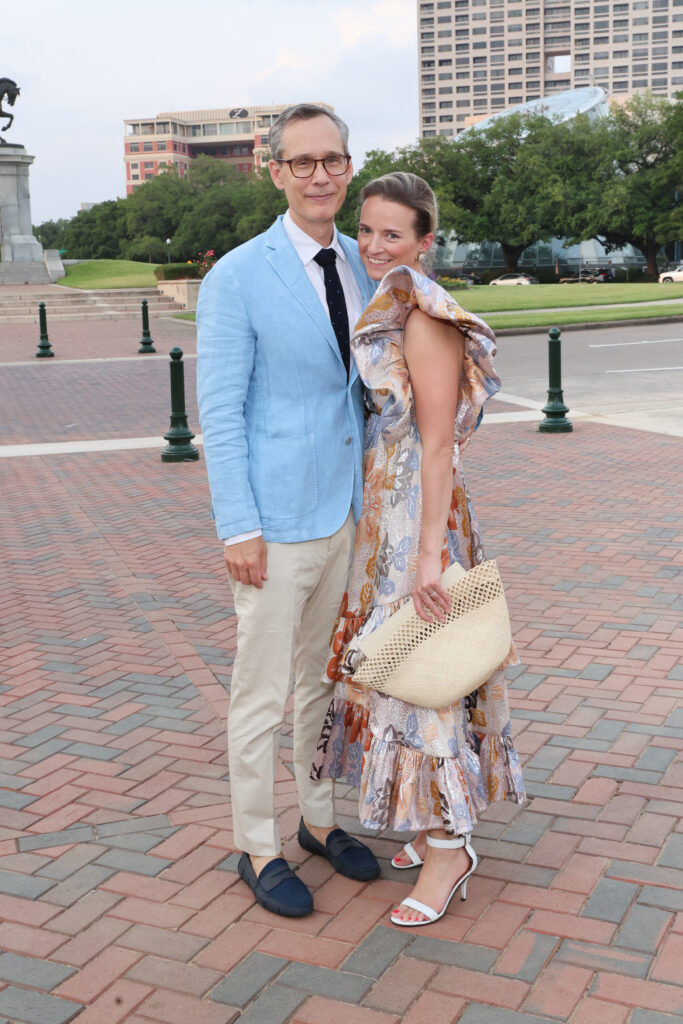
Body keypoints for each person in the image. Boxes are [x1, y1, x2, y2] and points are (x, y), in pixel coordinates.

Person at [312, 172, 526, 926]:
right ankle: (435, 822)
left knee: (421, 672)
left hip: (415, 520)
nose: (374, 245)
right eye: (366, 229)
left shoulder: (427, 318)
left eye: (392, 234)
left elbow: (438, 446)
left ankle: (448, 847)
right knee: (402, 664)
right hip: (389, 515)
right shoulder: (396, 304)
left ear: (425, 240)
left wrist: (427, 556)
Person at [196, 104, 380, 919]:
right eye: (301, 162)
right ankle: (257, 846)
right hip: (271, 527)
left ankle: (317, 819)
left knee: (324, 683)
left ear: (348, 167)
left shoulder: (363, 263)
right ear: (274, 172)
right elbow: (221, 410)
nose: (319, 175)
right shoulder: (238, 275)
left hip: (345, 514)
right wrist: (237, 526)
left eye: (331, 159)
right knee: (260, 692)